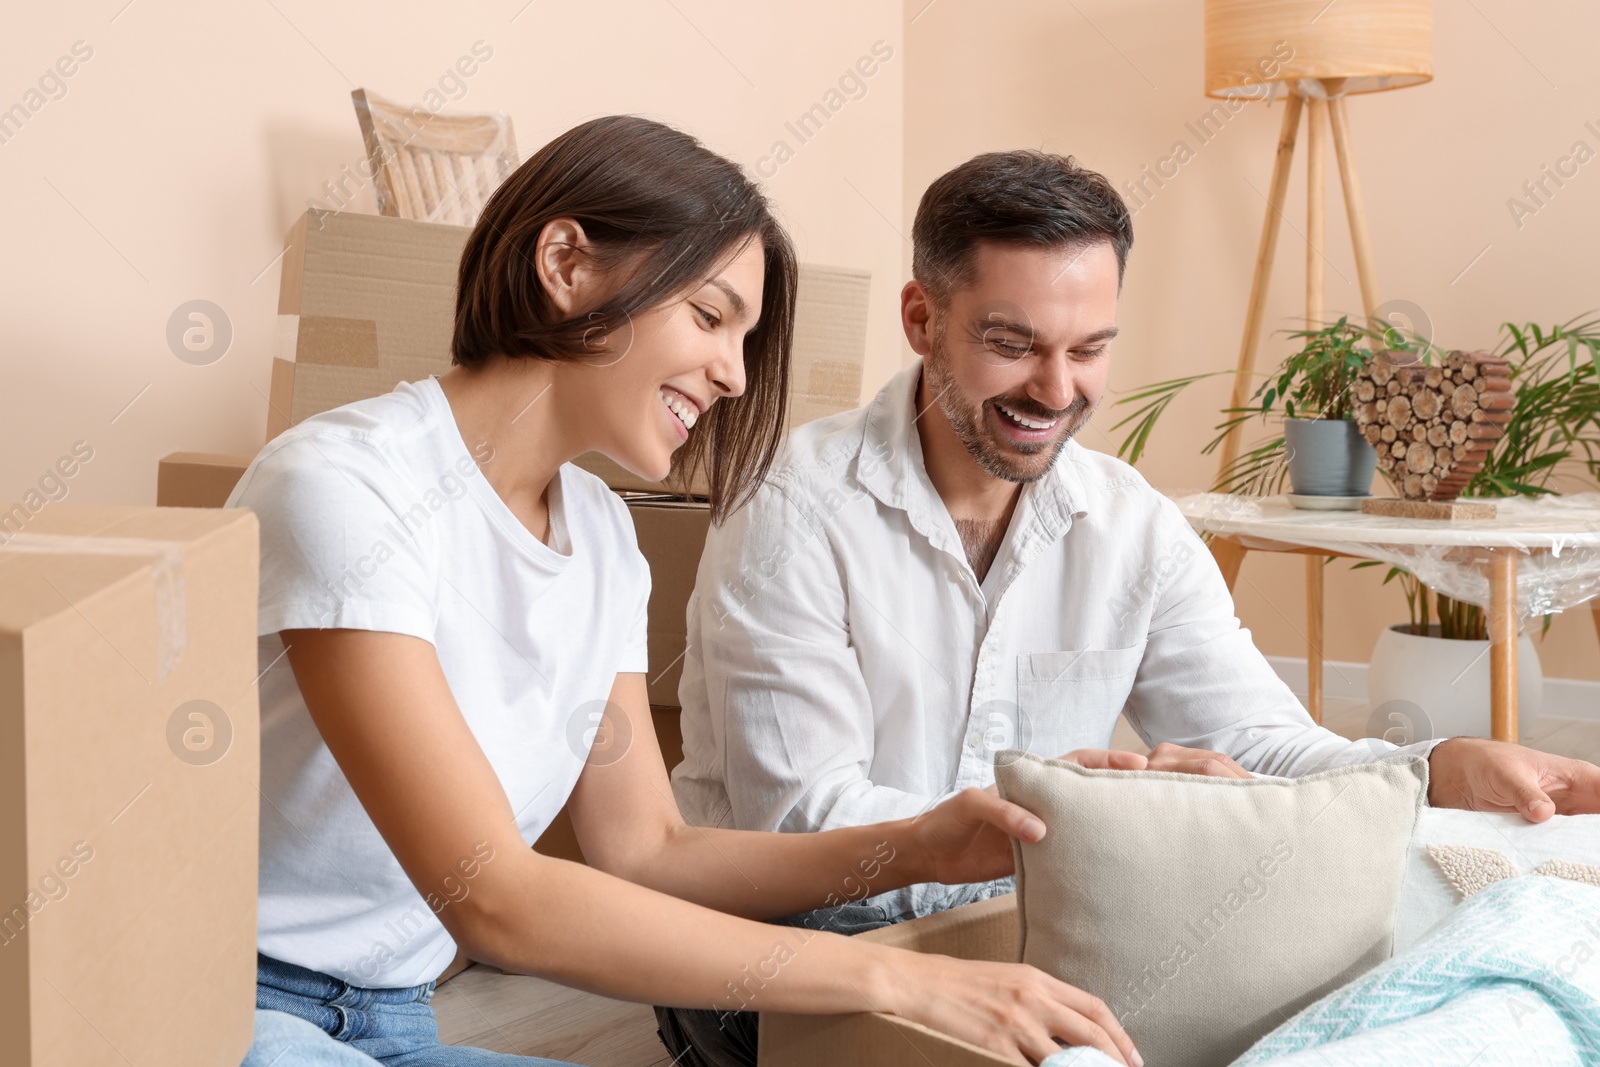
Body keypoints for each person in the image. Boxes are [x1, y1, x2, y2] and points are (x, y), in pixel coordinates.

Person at [228, 117, 1142, 1067]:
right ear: (567, 264)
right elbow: (493, 896)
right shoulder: (346, 488)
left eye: (746, 338)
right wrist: (904, 977)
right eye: (710, 317)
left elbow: (649, 851)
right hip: (229, 1007)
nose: (736, 375)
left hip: (395, 1017)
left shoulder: (603, 538)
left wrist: (921, 843)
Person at [658, 148, 1600, 1066]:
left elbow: (1264, 742)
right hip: (782, 975)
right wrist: (1087, 823)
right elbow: (809, 827)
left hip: (1021, 937)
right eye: (1012, 343)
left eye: (1089, 349)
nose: (1056, 391)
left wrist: (1438, 766)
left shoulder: (1130, 523)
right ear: (921, 318)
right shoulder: (791, 510)